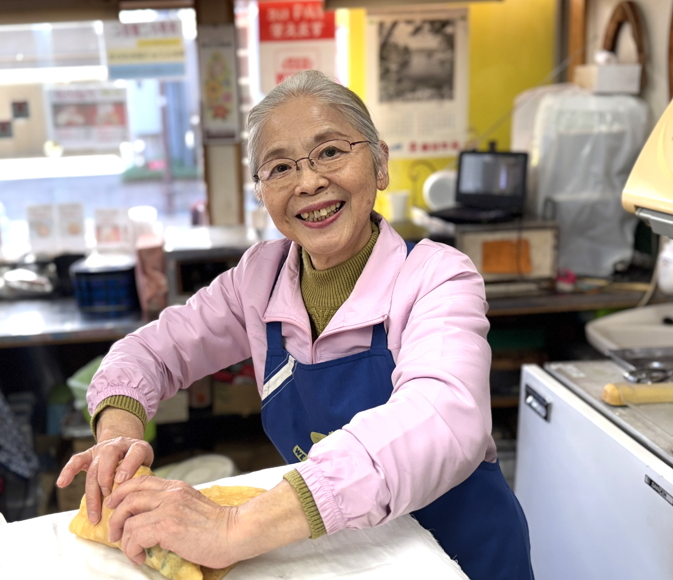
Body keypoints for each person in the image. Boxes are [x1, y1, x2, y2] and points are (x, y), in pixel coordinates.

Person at [57, 69, 534, 580]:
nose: (308, 182)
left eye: (330, 152)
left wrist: (232, 530)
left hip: (463, 557)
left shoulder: (437, 277)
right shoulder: (257, 280)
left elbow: (443, 419)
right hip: (352, 558)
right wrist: (118, 432)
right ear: (262, 191)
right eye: (280, 167)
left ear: (379, 164)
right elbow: (151, 352)